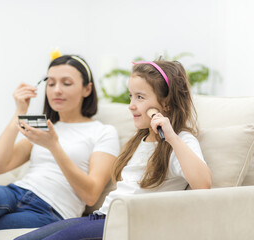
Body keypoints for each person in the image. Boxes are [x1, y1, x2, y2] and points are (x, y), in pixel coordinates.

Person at [15, 60, 212, 240]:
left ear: (167, 104)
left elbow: (203, 183)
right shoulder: (140, 139)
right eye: (131, 96)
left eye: (140, 97)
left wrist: (171, 137)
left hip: (127, 224)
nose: (131, 105)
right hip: (102, 217)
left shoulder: (180, 140)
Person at [0, 54, 120, 240]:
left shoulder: (102, 132)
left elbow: (90, 195)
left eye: (66, 83)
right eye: (50, 83)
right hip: (17, 192)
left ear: (87, 89)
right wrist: (19, 111)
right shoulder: (46, 127)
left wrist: (54, 147)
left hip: (51, 211)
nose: (56, 90)